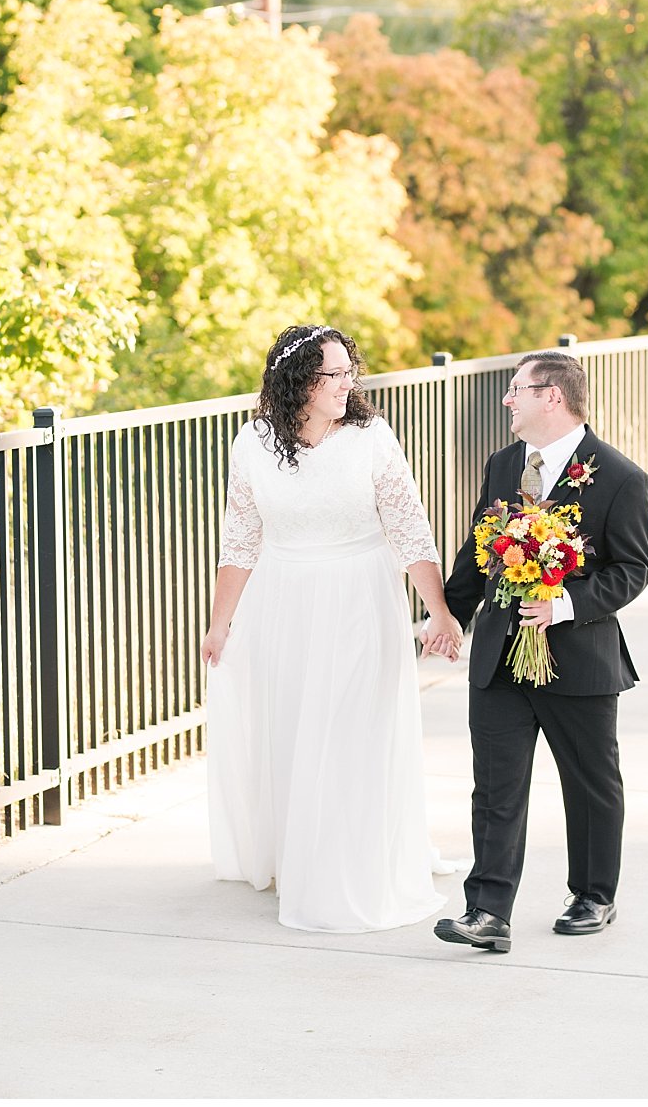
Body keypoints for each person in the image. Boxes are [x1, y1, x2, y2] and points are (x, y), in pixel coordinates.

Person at [203, 324, 463, 933]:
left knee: (352, 728)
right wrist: (221, 624)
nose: (347, 384)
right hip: (284, 602)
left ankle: (352, 864)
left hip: (360, 599)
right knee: (296, 729)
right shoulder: (253, 443)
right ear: (299, 382)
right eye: (332, 375)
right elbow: (240, 538)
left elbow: (407, 527)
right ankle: (300, 856)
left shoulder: (371, 437)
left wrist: (440, 612)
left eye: (350, 372)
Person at [434, 349, 648, 954]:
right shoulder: (504, 464)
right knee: (495, 786)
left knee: (589, 783)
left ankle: (593, 894)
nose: (507, 399)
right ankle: (487, 912)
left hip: (579, 659)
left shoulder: (619, 476)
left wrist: (566, 604)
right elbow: (480, 550)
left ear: (551, 396)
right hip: (502, 656)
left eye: (516, 390)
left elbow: (633, 569)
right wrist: (448, 613)